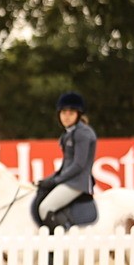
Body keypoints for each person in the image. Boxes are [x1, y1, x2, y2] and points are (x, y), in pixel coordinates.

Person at [36, 91, 97, 231]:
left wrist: (56, 181)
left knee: (45, 207)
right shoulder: (68, 133)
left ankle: (62, 240)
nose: (66, 116)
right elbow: (65, 166)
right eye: (63, 112)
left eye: (71, 113)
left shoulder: (83, 133)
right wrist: (47, 180)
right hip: (69, 180)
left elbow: (78, 165)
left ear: (78, 114)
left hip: (78, 182)